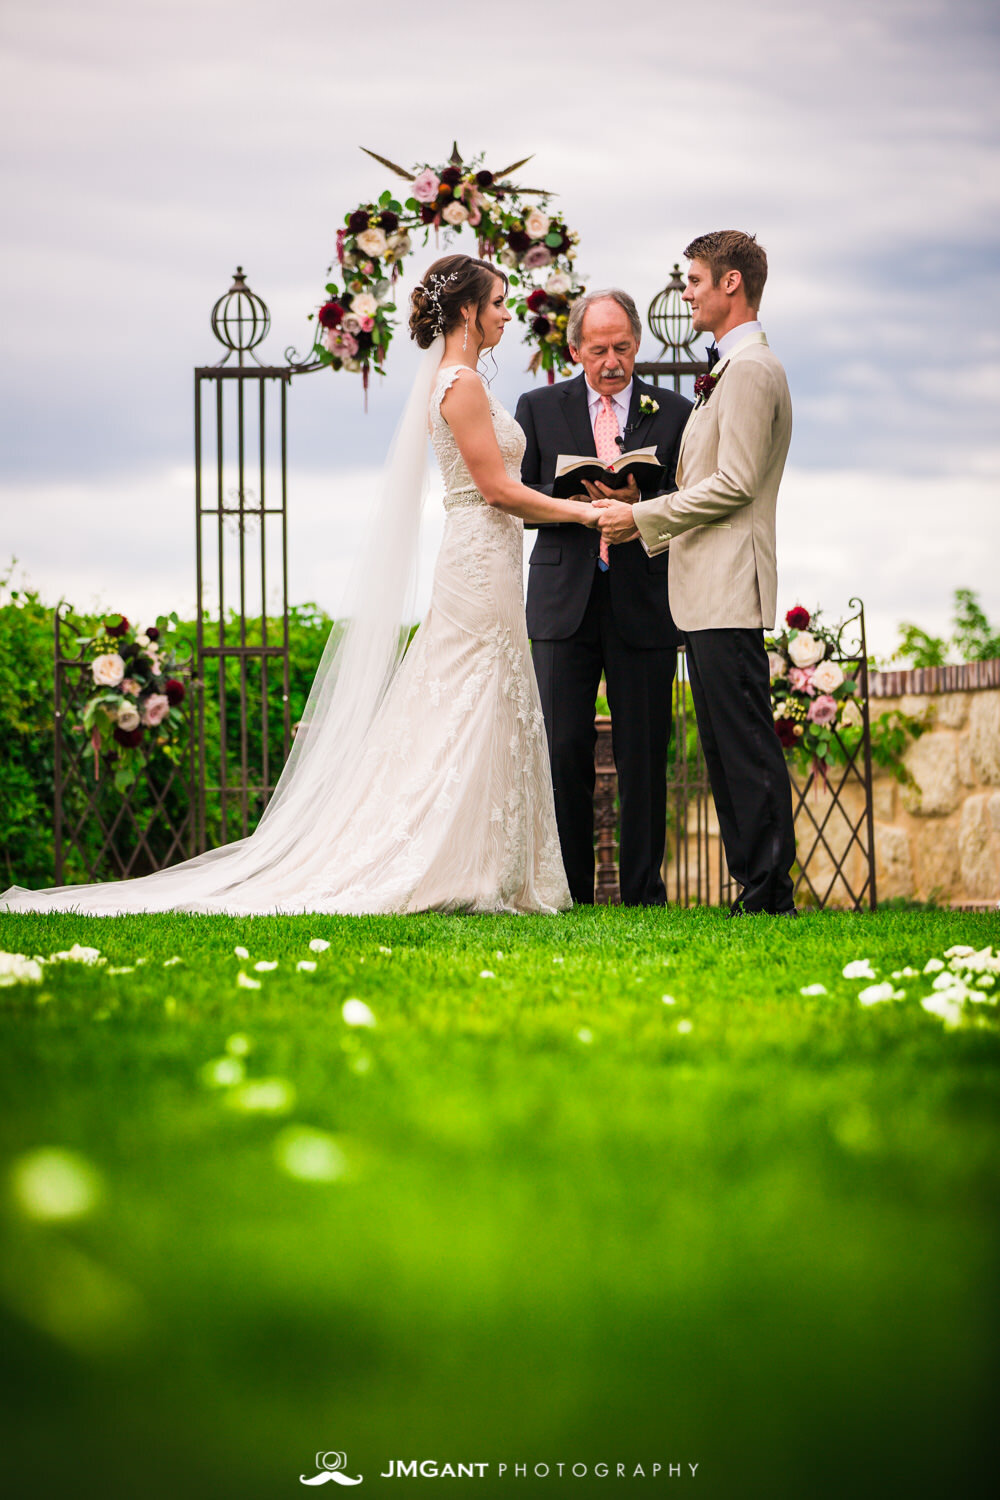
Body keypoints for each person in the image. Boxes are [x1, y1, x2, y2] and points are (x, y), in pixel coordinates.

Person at [0, 255, 603, 917]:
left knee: (481, 696)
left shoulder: (457, 381)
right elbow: (493, 488)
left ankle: (488, 864)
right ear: (466, 310)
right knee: (471, 693)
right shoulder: (460, 384)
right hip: (479, 558)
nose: (504, 316)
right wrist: (582, 511)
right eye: (496, 304)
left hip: (488, 554)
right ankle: (450, 863)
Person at [593, 233, 797, 916]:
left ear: (731, 283)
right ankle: (754, 888)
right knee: (723, 746)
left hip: (729, 588)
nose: (685, 293)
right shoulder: (729, 371)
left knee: (744, 747)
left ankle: (769, 893)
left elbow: (736, 483)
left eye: (695, 280)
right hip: (706, 592)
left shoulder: (752, 371)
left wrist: (644, 519)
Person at [515, 291, 691, 905]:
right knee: (564, 748)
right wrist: (574, 503)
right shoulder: (538, 408)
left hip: (644, 596)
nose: (611, 361)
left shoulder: (674, 411)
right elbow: (519, 493)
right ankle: (570, 892)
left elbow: (688, 498)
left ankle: (643, 893)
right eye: (598, 350)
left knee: (644, 750)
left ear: (637, 344)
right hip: (565, 596)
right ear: (574, 350)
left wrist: (638, 505)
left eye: (621, 348)